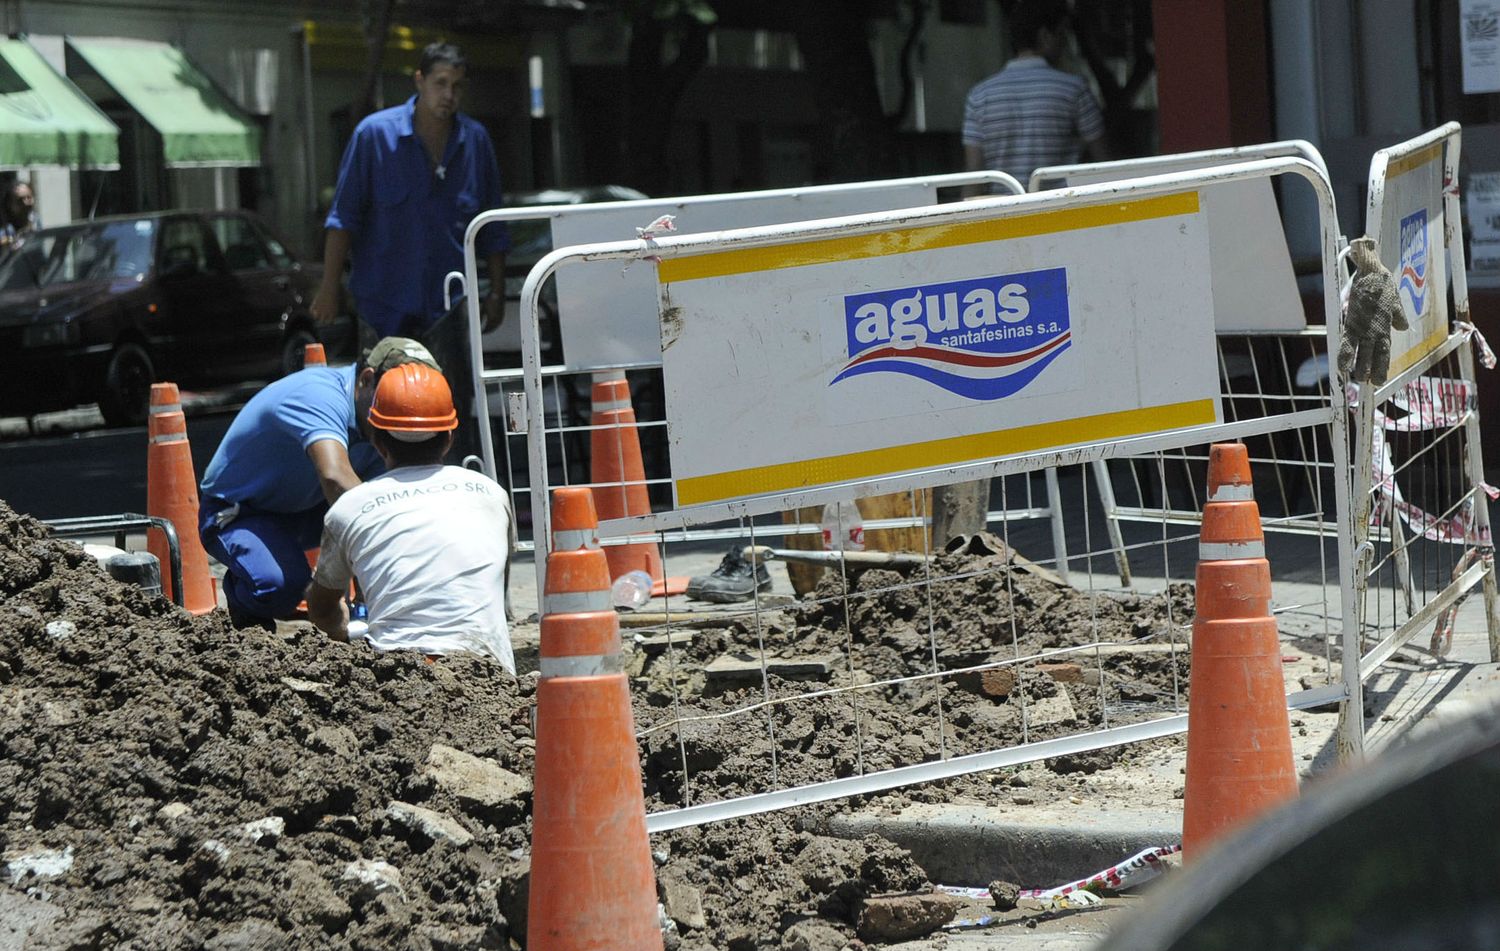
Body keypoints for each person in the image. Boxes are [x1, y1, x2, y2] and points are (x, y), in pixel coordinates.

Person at [310, 41, 509, 465]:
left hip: (448, 304)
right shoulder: (374, 136)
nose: (449, 95)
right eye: (440, 83)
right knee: (373, 410)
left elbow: (491, 222)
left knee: (451, 410)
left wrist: (494, 290)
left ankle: (457, 491)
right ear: (419, 81)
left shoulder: (474, 140)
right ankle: (373, 497)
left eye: (457, 85)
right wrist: (329, 287)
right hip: (383, 301)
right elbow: (343, 218)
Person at [198, 337, 442, 628]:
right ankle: (244, 593)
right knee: (280, 587)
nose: (405, 407)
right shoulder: (317, 395)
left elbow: (387, 504)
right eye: (396, 395)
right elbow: (335, 477)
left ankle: (287, 568)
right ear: (366, 380)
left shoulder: (378, 417)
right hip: (238, 512)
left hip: (302, 509)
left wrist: (374, 603)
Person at [305, 362, 515, 671]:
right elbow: (496, 584)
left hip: (400, 682)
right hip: (490, 677)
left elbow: (322, 610)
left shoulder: (349, 508)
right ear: (449, 438)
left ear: (376, 440)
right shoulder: (490, 493)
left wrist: (340, 629)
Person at [962, 0, 1108, 188]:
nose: (1065, 44)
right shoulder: (1074, 89)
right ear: (1045, 35)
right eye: (1062, 34)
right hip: (1060, 210)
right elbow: (1104, 162)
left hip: (1004, 213)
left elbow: (973, 174)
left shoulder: (979, 96)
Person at [0, 181, 38, 253]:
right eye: (20, 200)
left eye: (29, 198)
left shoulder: (35, 221)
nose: (26, 203)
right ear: (10, 205)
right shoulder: (6, 229)